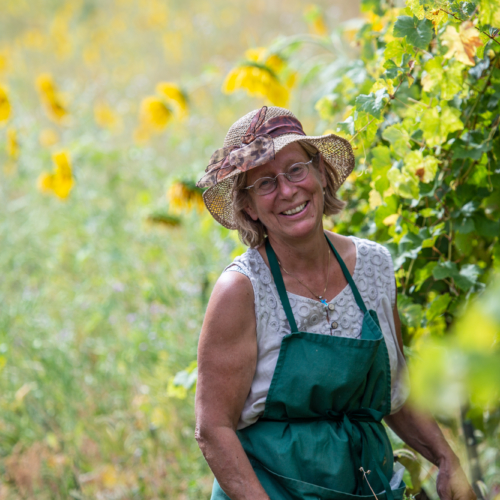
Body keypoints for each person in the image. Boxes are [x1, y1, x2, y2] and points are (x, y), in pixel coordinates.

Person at [194, 106, 476, 500]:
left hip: (366, 485)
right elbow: (213, 429)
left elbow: (395, 392)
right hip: (271, 490)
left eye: (296, 169)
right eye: (265, 184)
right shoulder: (242, 290)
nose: (288, 191)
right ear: (248, 208)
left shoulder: (374, 266)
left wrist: (447, 461)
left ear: (321, 174)